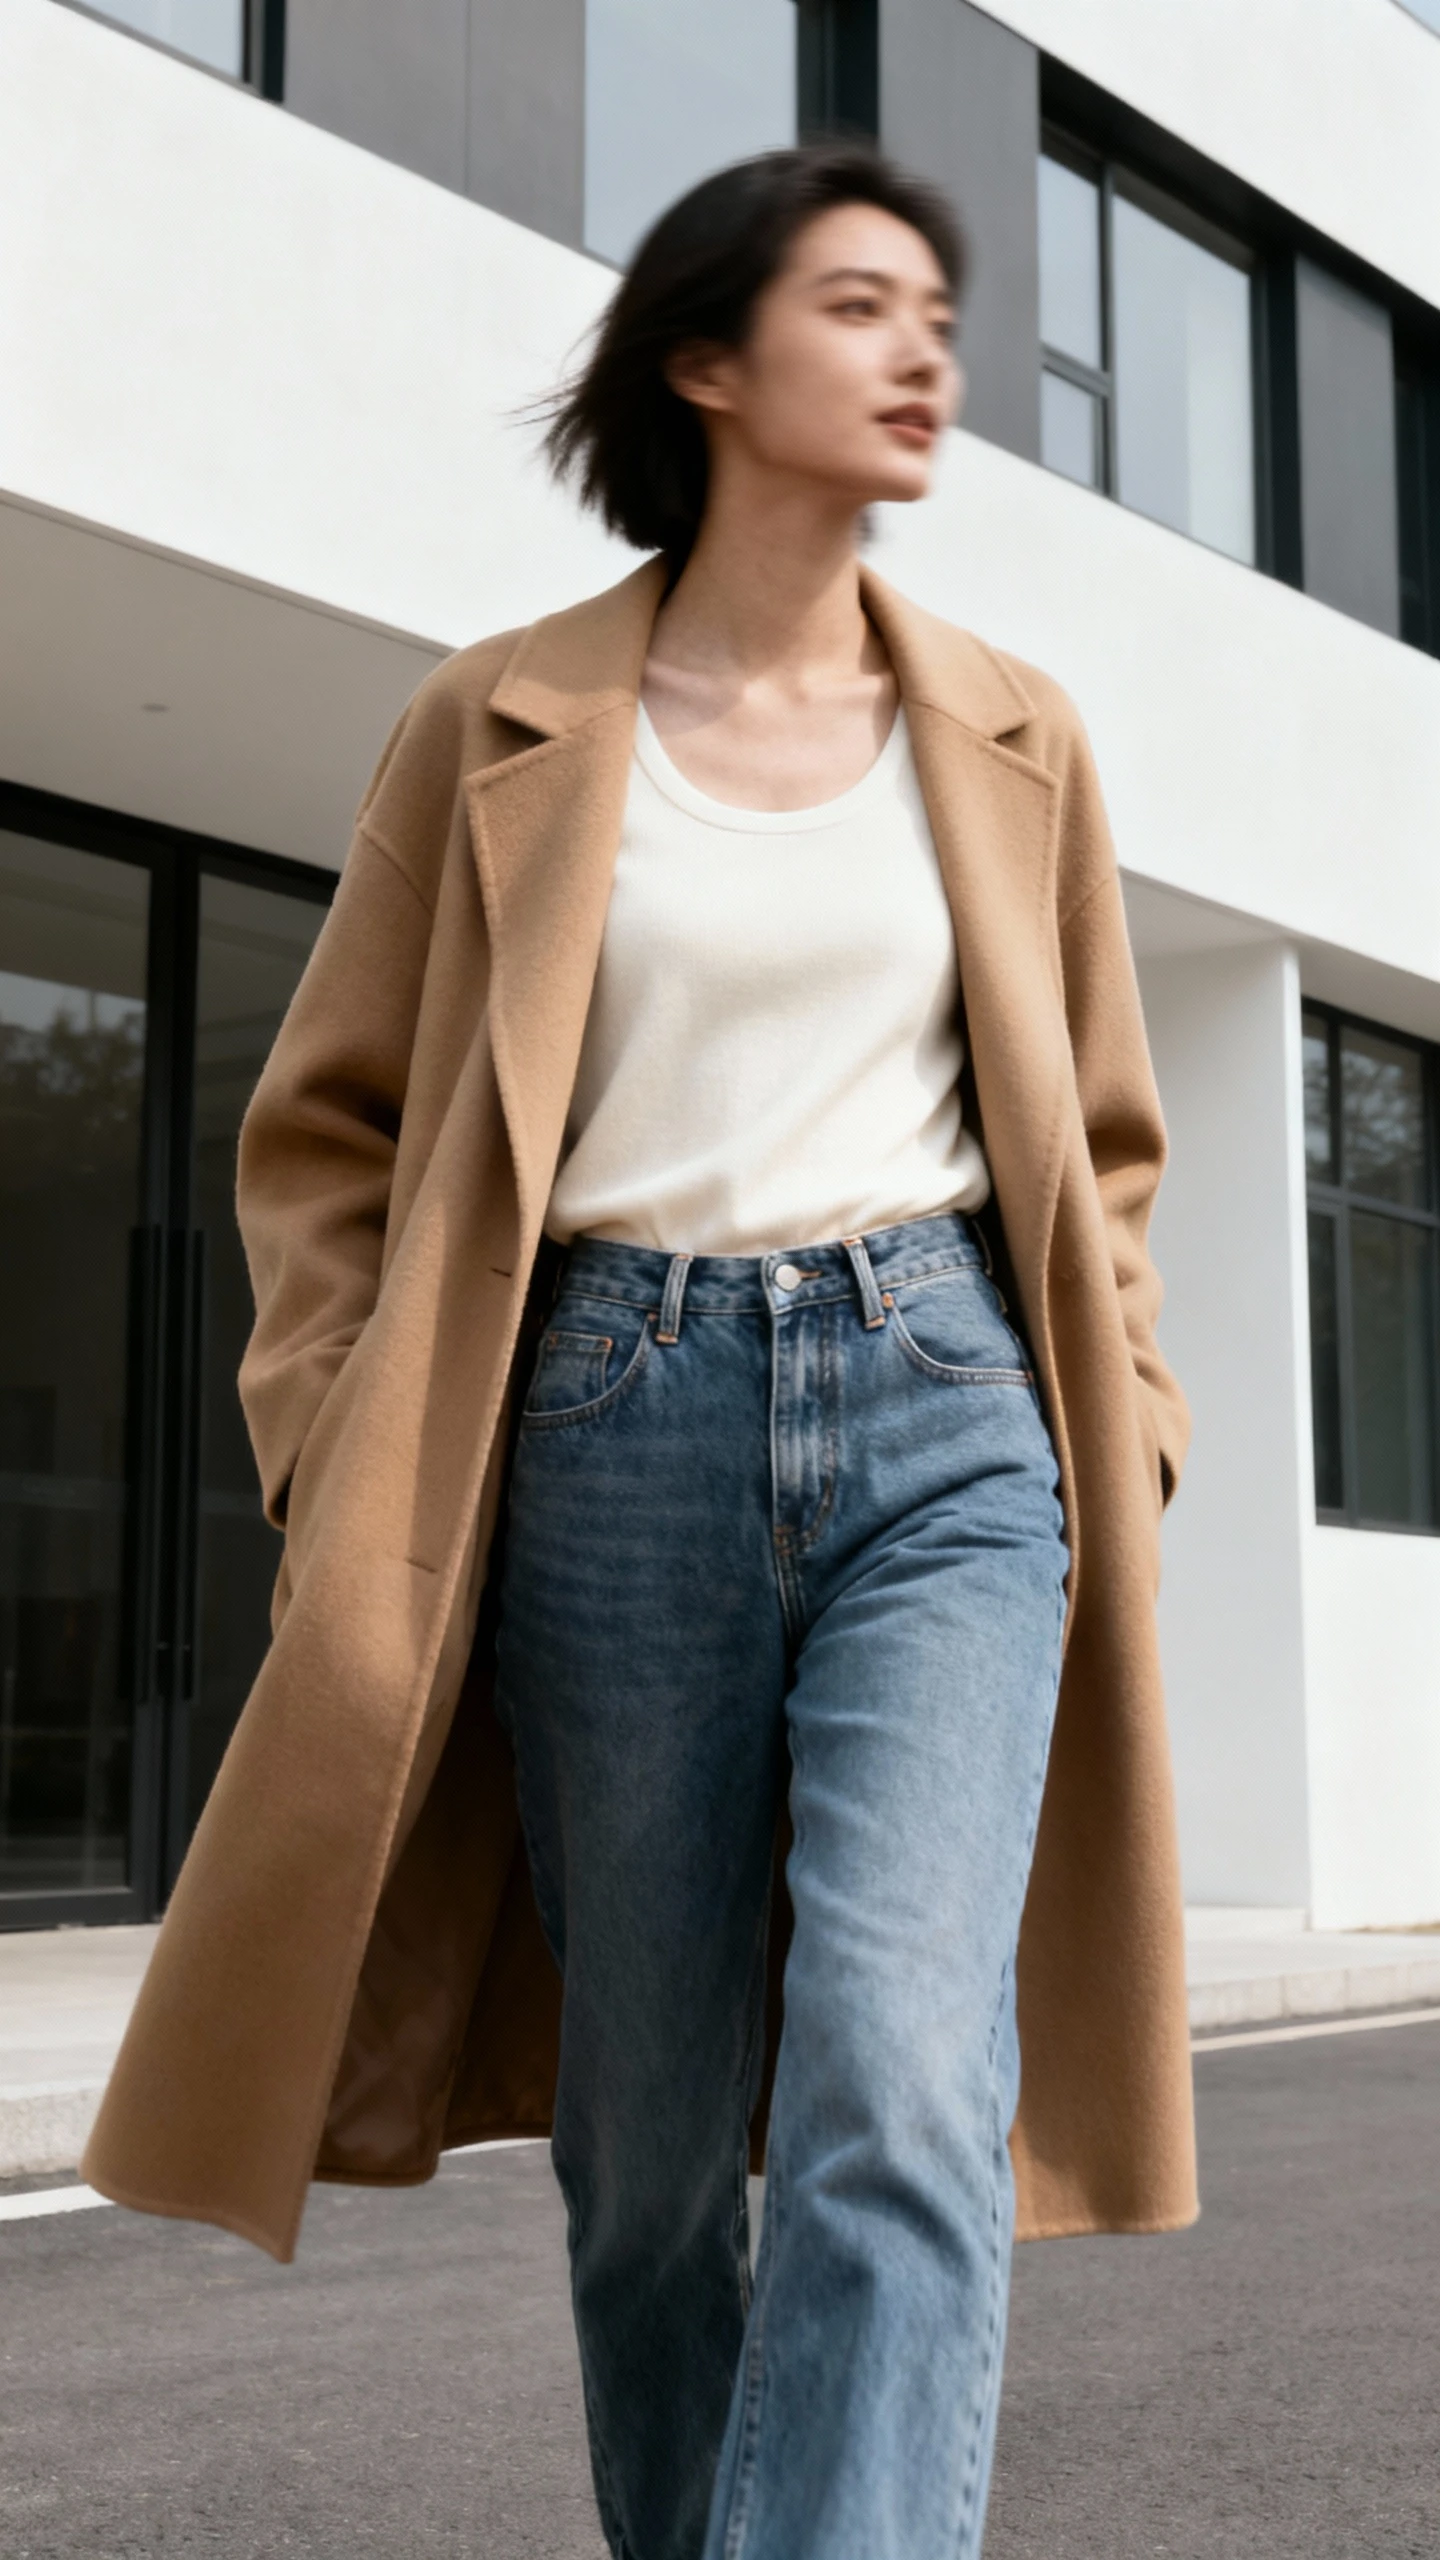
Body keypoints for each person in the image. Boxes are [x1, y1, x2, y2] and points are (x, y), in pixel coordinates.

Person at [84, 145, 1196, 2560]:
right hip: (606, 1423)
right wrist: (337, 1457)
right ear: (707, 359)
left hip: (946, 1414)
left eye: (940, 310)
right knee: (654, 2157)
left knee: (905, 2084)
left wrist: (1137, 1409)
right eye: (864, 306)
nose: (932, 352)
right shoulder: (497, 722)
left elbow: (1102, 1137)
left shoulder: (1018, 735)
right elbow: (326, 1140)